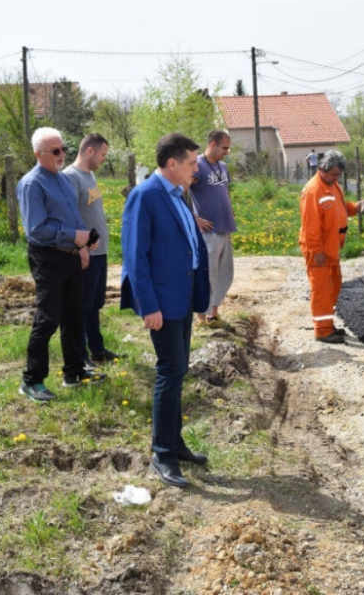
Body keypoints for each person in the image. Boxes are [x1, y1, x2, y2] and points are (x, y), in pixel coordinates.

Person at [121, 132, 210, 488]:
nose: (195, 170)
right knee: (169, 372)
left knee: (178, 370)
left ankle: (175, 442)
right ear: (172, 163)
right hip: (162, 303)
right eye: (191, 163)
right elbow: (135, 257)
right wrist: (149, 306)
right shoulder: (145, 196)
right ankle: (162, 453)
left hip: (182, 298)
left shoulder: (178, 193)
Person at [16, 127, 106, 403]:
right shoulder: (32, 184)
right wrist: (73, 236)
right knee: (48, 318)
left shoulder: (63, 180)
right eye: (55, 151)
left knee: (74, 315)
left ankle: (74, 372)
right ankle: (32, 380)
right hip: (48, 257)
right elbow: (36, 229)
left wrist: (83, 244)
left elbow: (74, 217)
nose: (61, 154)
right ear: (38, 154)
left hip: (71, 255)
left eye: (63, 148)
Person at [63, 133, 121, 368]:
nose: (104, 159)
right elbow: (68, 214)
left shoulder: (90, 175)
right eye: (103, 154)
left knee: (95, 304)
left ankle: (97, 350)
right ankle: (81, 356)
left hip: (100, 251)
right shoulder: (71, 177)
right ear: (89, 151)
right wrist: (81, 247)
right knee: (82, 306)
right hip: (85, 254)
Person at [298, 150, 364, 344]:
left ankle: (327, 323)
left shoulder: (333, 186)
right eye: (334, 174)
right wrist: (316, 251)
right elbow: (310, 226)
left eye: (339, 175)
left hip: (331, 247)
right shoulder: (313, 191)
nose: (336, 178)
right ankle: (322, 331)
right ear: (322, 169)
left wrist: (356, 207)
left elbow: (341, 208)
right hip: (319, 250)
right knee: (321, 289)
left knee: (333, 286)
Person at [190, 130, 236, 330]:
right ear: (213, 144)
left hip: (225, 226)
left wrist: (229, 208)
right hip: (208, 231)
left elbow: (224, 190)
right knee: (207, 274)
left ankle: (213, 315)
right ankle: (201, 319)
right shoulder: (197, 166)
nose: (227, 151)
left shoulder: (222, 167)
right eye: (224, 148)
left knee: (225, 273)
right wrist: (194, 219)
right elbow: (181, 191)